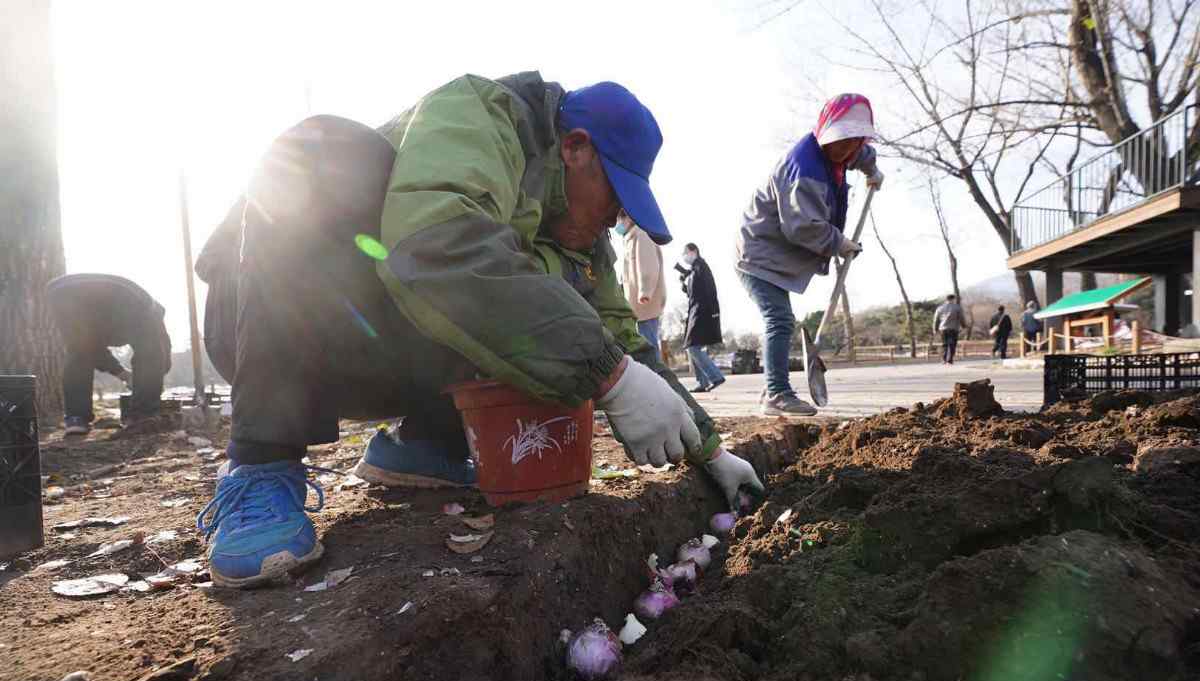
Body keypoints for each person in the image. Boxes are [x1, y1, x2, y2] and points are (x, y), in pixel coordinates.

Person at [194, 72, 763, 588]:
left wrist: (711, 451)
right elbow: (437, 248)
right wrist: (612, 377)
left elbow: (626, 339)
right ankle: (260, 464)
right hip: (265, 318)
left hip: (374, 348)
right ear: (575, 147)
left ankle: (426, 444)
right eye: (615, 196)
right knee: (328, 148)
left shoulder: (580, 242)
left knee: (533, 306)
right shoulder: (484, 117)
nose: (615, 219)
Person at [735, 94, 884, 416]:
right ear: (825, 133)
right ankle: (776, 394)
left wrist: (872, 169)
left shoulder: (846, 151)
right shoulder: (804, 170)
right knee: (779, 319)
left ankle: (772, 389)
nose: (845, 151)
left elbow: (860, 155)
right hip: (757, 253)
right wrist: (839, 242)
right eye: (841, 142)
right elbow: (802, 227)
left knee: (780, 319)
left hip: (773, 252)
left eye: (853, 143)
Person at [45, 274, 172, 436]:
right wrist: (146, 385)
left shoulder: (135, 318)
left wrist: (125, 375)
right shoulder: (150, 315)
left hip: (60, 290)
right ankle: (143, 416)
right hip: (126, 295)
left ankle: (77, 418)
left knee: (78, 350)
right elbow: (156, 357)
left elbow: (91, 348)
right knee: (151, 353)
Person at [616, 211, 666, 361]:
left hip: (645, 302)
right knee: (645, 344)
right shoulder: (630, 238)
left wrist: (645, 291)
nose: (617, 224)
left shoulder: (641, 235)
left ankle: (658, 378)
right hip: (637, 304)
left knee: (648, 345)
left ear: (629, 217)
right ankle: (655, 377)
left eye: (620, 218)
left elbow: (648, 264)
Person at [678, 243, 725, 393]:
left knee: (693, 346)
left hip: (702, 312)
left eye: (685, 253)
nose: (684, 256)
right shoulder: (695, 269)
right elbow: (694, 293)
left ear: (693, 251)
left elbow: (710, 290)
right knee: (692, 346)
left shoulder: (701, 267)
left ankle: (715, 376)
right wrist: (684, 286)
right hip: (695, 311)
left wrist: (713, 312)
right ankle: (702, 382)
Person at [933, 294, 966, 364]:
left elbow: (936, 320)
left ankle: (944, 359)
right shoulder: (957, 307)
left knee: (944, 344)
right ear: (953, 299)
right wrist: (964, 326)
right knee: (952, 344)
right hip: (953, 328)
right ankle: (950, 359)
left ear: (946, 299)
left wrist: (935, 329)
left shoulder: (940, 308)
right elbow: (961, 318)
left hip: (943, 328)